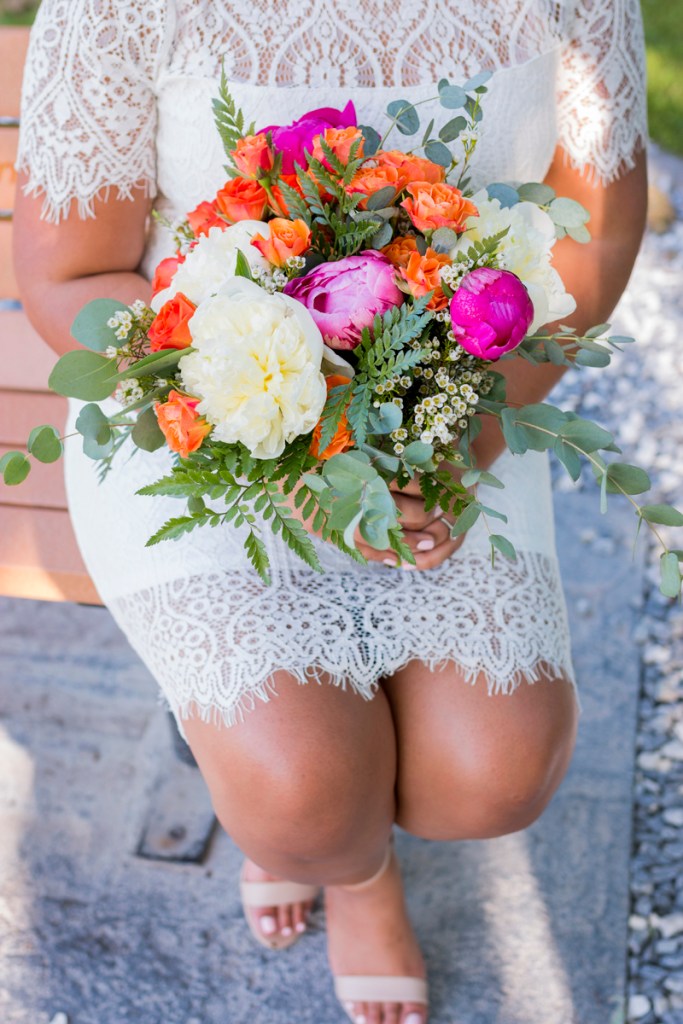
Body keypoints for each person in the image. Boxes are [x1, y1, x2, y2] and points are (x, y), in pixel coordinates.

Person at [13, 2, 648, 1022]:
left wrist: (462, 437)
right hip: (212, 410)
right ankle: (354, 873)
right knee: (302, 797)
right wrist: (279, 452)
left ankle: (325, 810)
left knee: (494, 777)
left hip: (455, 402)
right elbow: (72, 271)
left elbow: (597, 226)